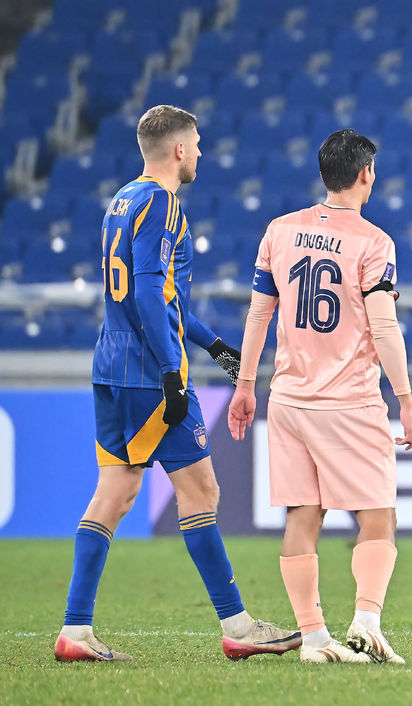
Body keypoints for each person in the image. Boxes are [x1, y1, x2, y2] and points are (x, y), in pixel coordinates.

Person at [54, 105, 301, 663]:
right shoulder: (164, 205)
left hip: (109, 366)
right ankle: (238, 625)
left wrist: (212, 344)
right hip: (148, 376)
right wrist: (172, 373)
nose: (202, 154)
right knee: (201, 492)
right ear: (180, 150)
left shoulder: (122, 201)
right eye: (198, 144)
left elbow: (156, 295)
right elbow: (147, 294)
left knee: (115, 493)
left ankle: (75, 628)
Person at [227, 128, 412, 665]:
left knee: (302, 515)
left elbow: (258, 314)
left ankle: (313, 638)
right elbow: (384, 329)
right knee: (378, 514)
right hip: (349, 400)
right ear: (366, 174)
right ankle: (366, 623)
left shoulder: (280, 231)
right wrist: (404, 398)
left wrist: (245, 384)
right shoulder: (374, 242)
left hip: (287, 399)